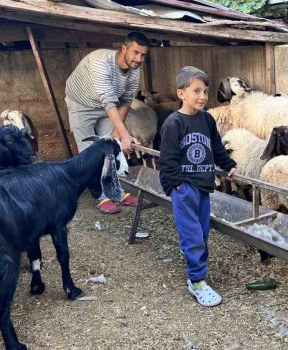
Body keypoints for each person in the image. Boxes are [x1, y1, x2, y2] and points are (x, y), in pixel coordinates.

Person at [159, 66, 236, 307]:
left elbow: (216, 147)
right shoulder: (173, 123)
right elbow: (167, 159)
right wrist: (177, 185)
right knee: (193, 236)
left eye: (205, 91)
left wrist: (228, 164)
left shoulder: (207, 120)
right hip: (184, 188)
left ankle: (192, 257)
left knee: (202, 232)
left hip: (204, 185)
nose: (202, 96)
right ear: (181, 93)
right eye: (196, 91)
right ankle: (197, 281)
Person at [65, 32, 150, 214]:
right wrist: (126, 135)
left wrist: (118, 134)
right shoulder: (101, 62)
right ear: (124, 48)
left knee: (112, 148)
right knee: (90, 151)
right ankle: (101, 195)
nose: (139, 58)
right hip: (81, 104)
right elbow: (108, 101)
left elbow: (126, 100)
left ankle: (117, 191)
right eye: (135, 52)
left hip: (106, 106)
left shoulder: (135, 70)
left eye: (143, 55)